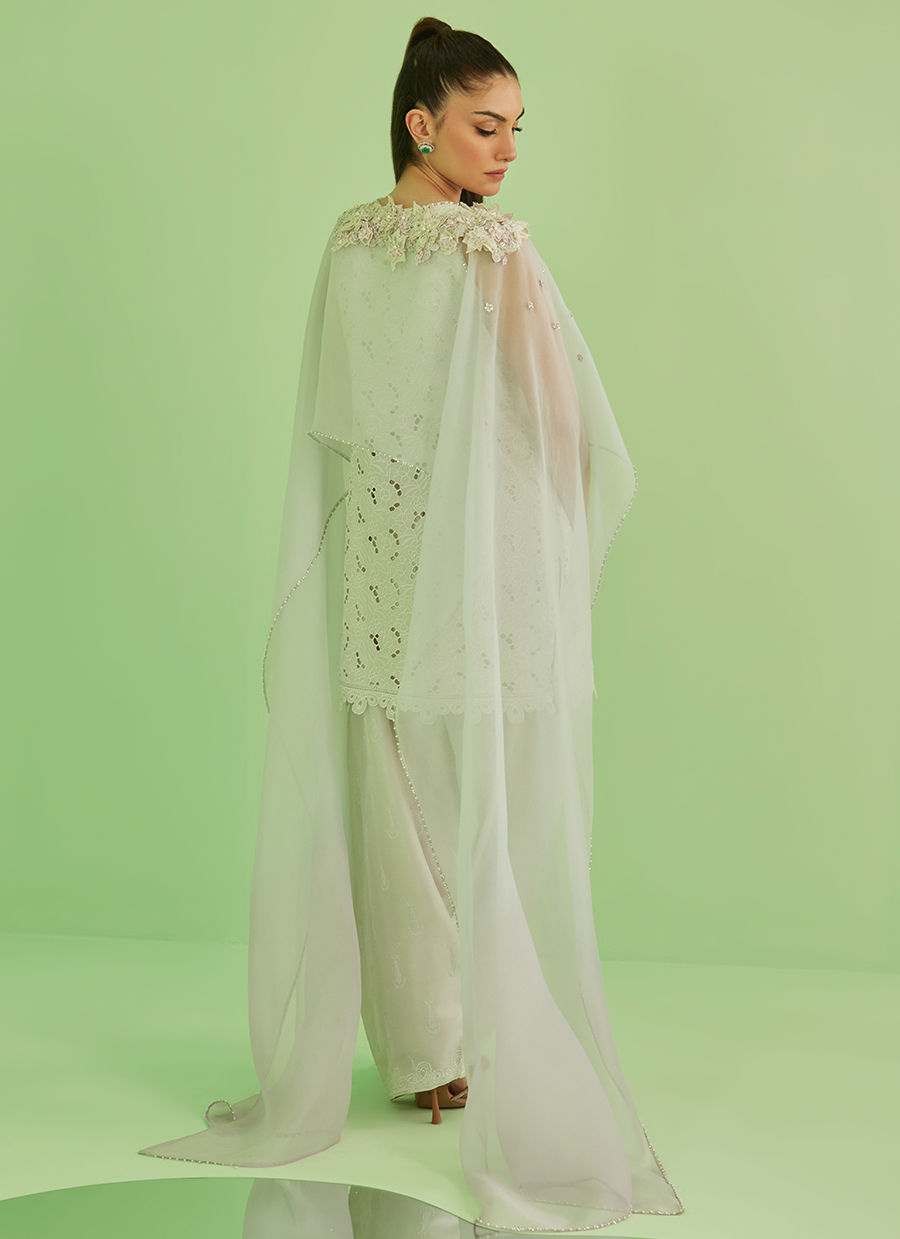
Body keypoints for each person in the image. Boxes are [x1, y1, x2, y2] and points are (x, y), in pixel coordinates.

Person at [138, 17, 686, 1233]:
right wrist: (553, 509)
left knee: (389, 783)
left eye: (517, 130)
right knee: (477, 779)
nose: (507, 152)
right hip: (472, 552)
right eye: (486, 127)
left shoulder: (349, 244)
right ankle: (472, 1041)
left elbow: (339, 413)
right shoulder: (494, 249)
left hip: (381, 549)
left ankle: (421, 1050)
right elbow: (556, 415)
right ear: (420, 122)